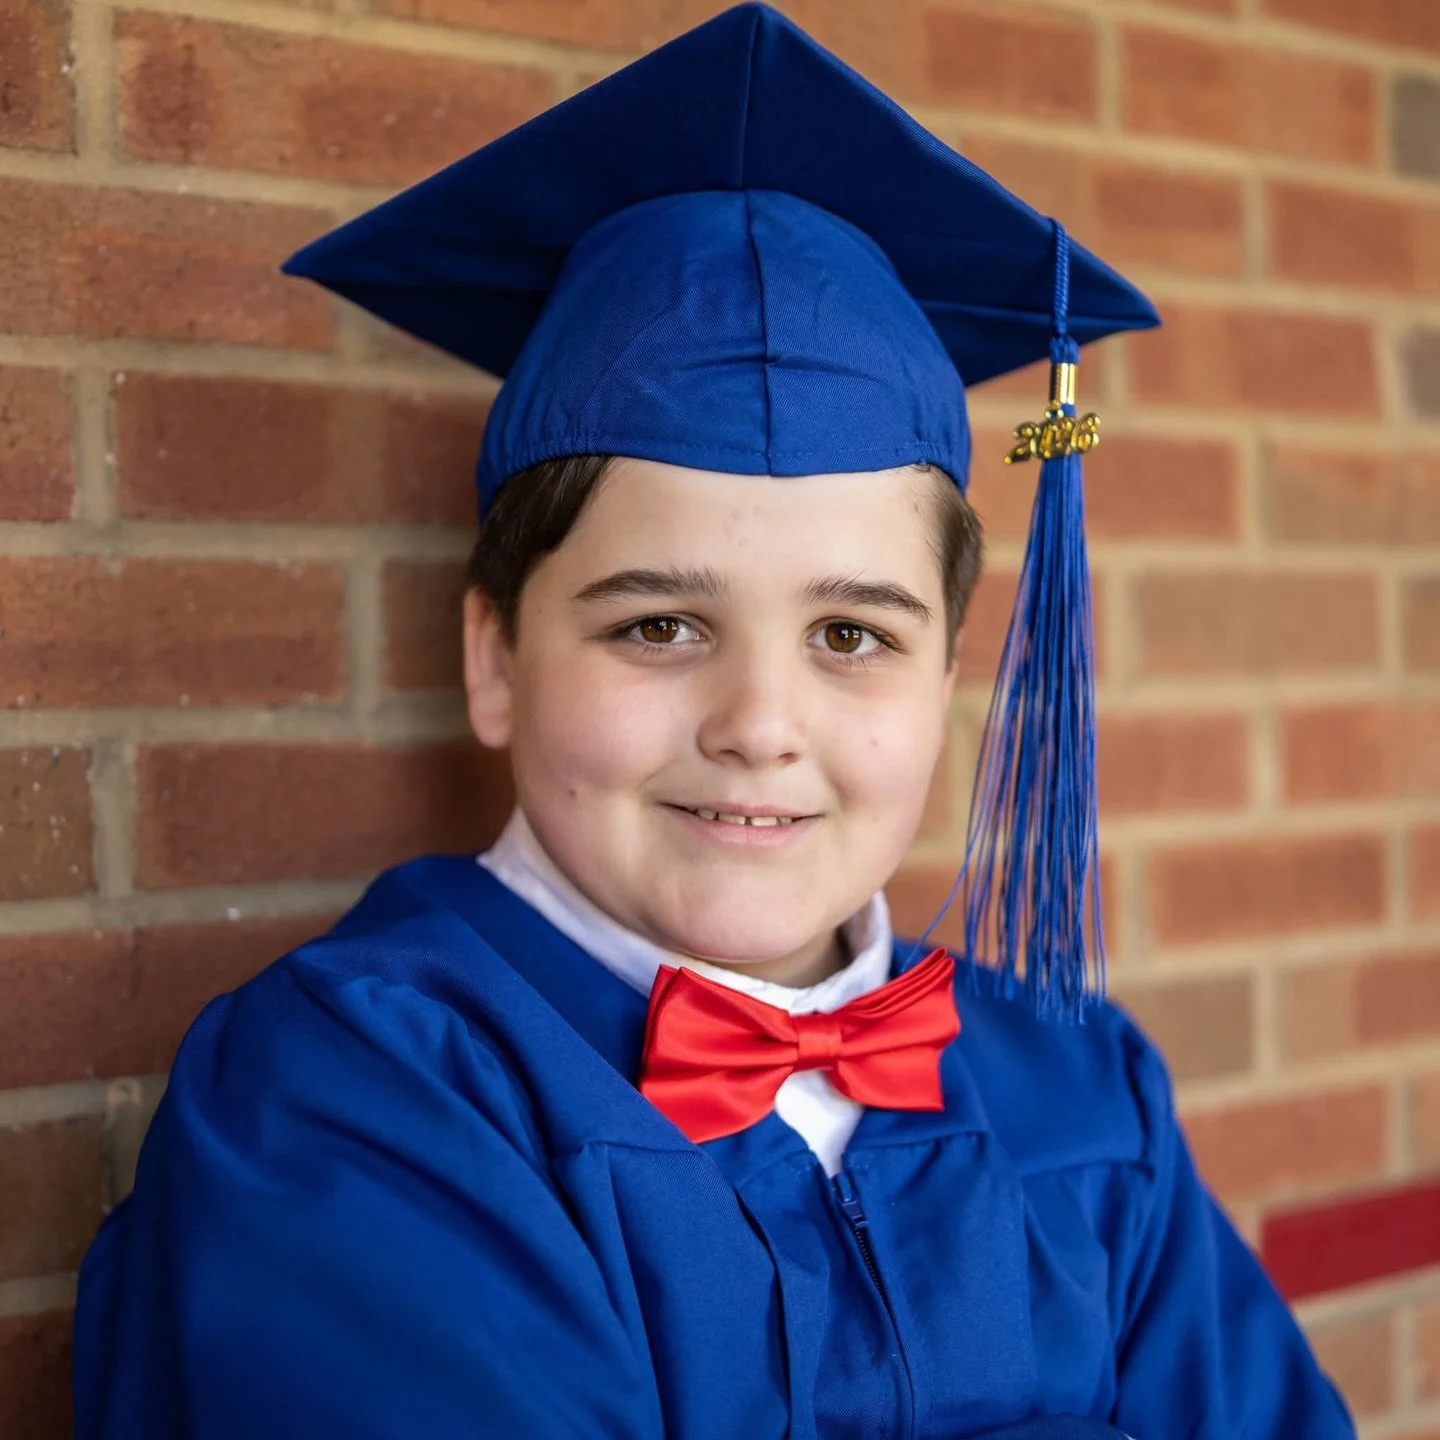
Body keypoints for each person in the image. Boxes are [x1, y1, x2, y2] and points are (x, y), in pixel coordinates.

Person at [72, 6, 1354, 1437]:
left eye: (852, 635)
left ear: (945, 684)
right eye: (659, 626)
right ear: (493, 660)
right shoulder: (352, 1097)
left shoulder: (1072, 1082)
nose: (760, 723)